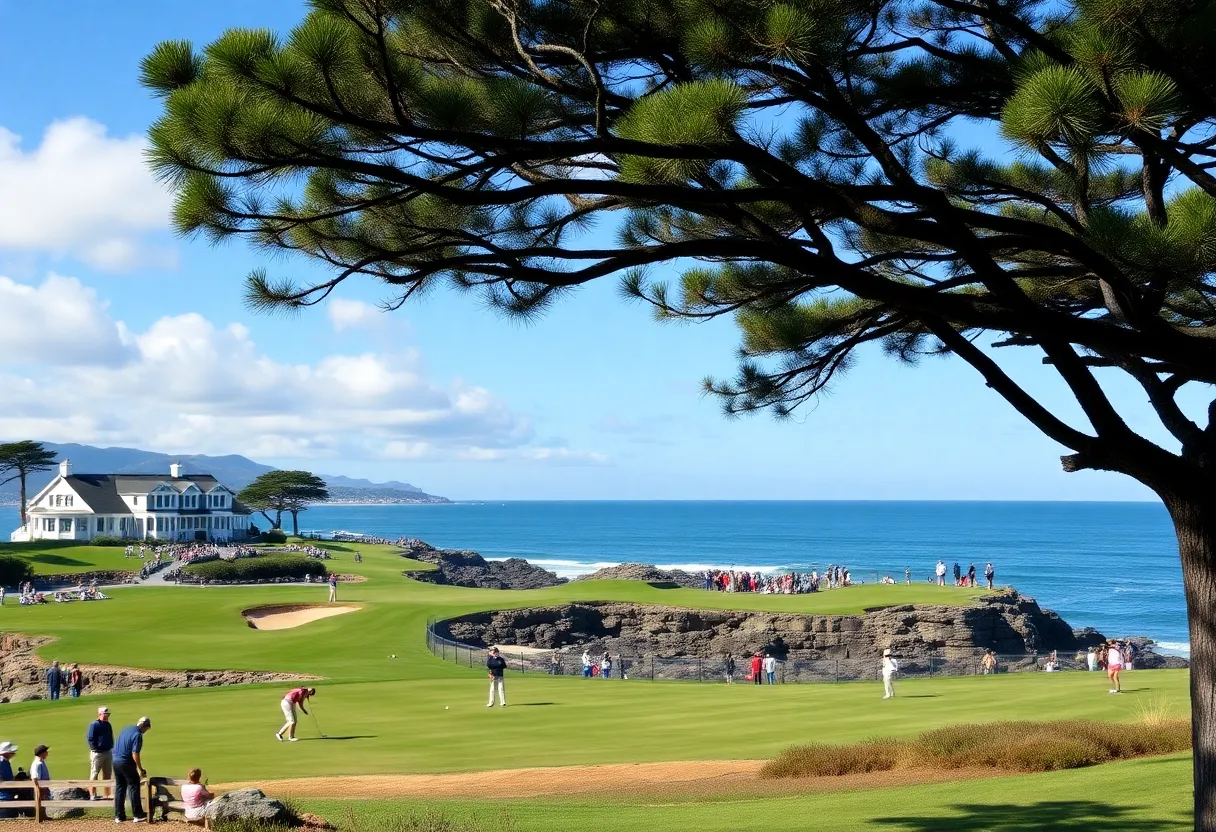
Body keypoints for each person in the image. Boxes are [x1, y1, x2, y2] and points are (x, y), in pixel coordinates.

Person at [113, 716, 152, 823]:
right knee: (134, 785)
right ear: (144, 726)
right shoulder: (138, 735)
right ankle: (137, 814)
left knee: (120, 787)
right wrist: (140, 769)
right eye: (146, 729)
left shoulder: (127, 729)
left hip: (115, 761)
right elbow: (135, 754)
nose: (145, 732)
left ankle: (119, 816)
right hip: (126, 762)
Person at [88, 706, 115, 800]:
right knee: (94, 773)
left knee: (107, 774)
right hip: (97, 753)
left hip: (108, 752)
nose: (107, 716)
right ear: (99, 714)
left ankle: (107, 794)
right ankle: (92, 794)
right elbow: (90, 738)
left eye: (108, 715)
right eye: (105, 714)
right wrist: (95, 748)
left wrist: (110, 746)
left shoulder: (108, 724)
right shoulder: (94, 724)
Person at [0, 742, 16, 819]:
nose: (13, 753)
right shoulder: (2, 762)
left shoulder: (5, 761)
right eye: (11, 752)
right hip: (3, 797)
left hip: (7, 795)